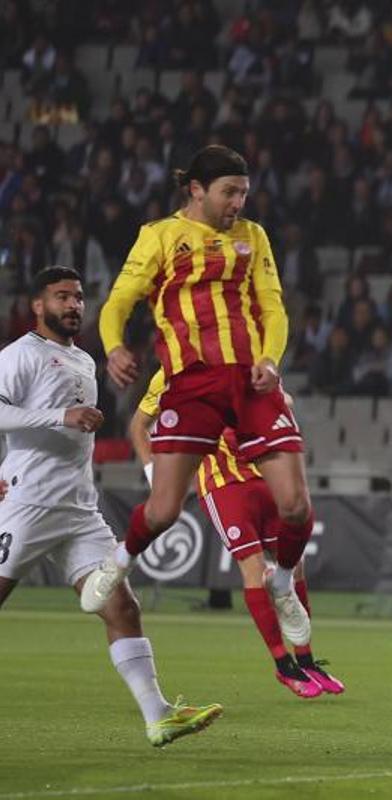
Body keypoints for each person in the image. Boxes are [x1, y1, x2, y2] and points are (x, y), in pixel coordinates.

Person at [84, 146, 314, 651]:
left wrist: (271, 360)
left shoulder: (253, 237)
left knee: (297, 507)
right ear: (196, 190)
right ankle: (118, 561)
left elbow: (274, 309)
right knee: (163, 510)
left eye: (244, 193)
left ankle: (282, 581)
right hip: (190, 385)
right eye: (229, 192)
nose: (238, 203)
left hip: (253, 382)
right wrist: (115, 347)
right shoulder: (162, 237)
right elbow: (118, 302)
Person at [0, 266, 222, 746]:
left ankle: (158, 715)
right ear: (38, 306)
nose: (74, 305)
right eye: (62, 297)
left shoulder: (82, 361)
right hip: (29, 502)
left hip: (80, 509)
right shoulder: (19, 355)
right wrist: (62, 415)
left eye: (79, 297)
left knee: (121, 604)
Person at [129, 369, 344, 699]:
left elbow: (277, 404)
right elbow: (139, 426)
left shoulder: (252, 357)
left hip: (262, 472)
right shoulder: (171, 372)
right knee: (254, 570)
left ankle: (307, 661)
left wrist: (279, 401)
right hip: (221, 483)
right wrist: (153, 477)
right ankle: (283, 665)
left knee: (295, 564)